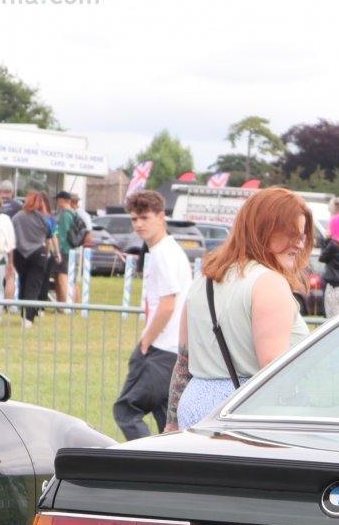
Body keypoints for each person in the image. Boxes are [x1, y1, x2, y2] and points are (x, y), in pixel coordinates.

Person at [163, 188, 314, 431]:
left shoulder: (205, 278)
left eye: (302, 235)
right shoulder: (269, 282)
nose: (299, 244)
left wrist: (170, 425)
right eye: (291, 234)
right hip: (245, 414)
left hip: (194, 407)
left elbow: (183, 361)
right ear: (262, 229)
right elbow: (274, 370)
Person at [112, 190, 193, 439]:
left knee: (126, 409)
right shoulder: (167, 250)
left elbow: (168, 304)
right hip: (173, 350)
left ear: (161, 217)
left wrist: (146, 342)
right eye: (134, 219)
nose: (138, 225)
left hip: (161, 349)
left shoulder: (163, 253)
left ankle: (143, 462)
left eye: (144, 218)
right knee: (167, 422)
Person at [10, 190, 57, 325]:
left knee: (23, 283)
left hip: (20, 253)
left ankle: (24, 311)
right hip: (38, 253)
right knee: (34, 285)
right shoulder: (44, 218)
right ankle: (28, 318)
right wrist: (48, 253)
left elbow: (12, 235)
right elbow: (49, 238)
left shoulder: (17, 217)